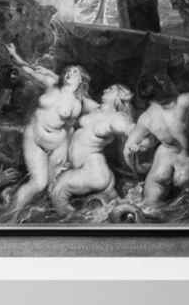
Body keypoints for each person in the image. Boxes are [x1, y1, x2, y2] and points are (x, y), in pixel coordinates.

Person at [4, 46, 91, 213]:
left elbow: (68, 128)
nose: (70, 73)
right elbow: (27, 72)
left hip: (56, 144)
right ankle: (9, 217)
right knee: (38, 184)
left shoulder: (76, 105)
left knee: (53, 185)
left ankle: (50, 215)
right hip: (33, 139)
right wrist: (14, 54)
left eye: (75, 72)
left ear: (81, 80)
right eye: (68, 71)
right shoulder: (51, 84)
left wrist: (63, 149)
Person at [129, 62, 189, 215]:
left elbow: (129, 148)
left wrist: (137, 167)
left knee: (148, 211)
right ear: (160, 87)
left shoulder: (146, 118)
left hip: (161, 169)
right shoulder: (182, 103)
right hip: (186, 168)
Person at [48, 83, 141, 215]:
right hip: (97, 172)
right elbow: (83, 99)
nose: (105, 89)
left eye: (110, 89)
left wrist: (136, 140)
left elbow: (130, 129)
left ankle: (72, 230)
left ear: (119, 96)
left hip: (93, 172)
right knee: (114, 211)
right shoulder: (97, 109)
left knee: (58, 191)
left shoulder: (116, 119)